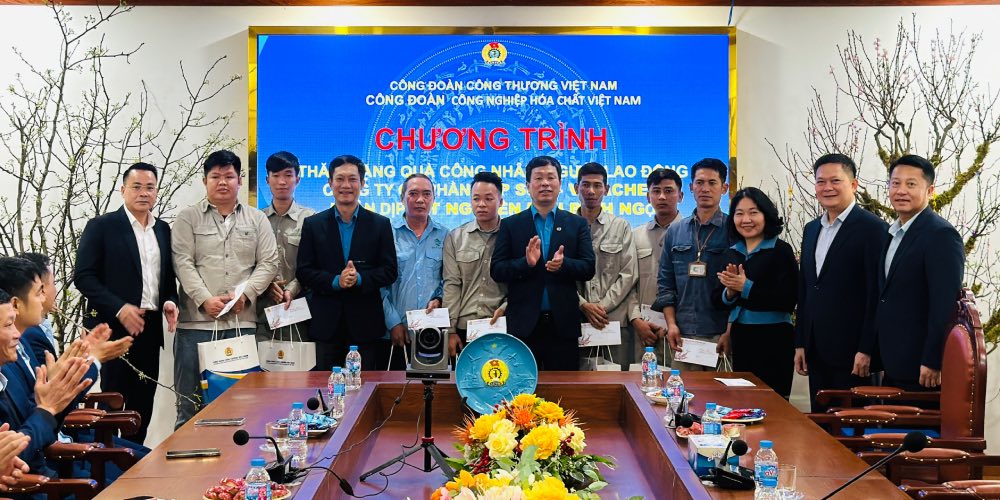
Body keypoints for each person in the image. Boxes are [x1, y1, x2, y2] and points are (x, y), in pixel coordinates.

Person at [72, 162, 178, 443]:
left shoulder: (164, 230)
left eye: (150, 187)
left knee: (143, 404)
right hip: (112, 328)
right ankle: (108, 459)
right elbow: (83, 277)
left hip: (150, 326)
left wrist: (170, 301)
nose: (144, 193)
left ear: (156, 192)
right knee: (113, 401)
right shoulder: (102, 226)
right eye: (137, 187)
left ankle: (133, 459)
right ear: (123, 190)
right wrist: (120, 307)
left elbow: (167, 280)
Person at [172, 150, 279, 428]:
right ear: (204, 180)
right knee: (190, 406)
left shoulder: (257, 219)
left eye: (229, 176)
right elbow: (182, 262)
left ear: (240, 180)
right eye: (215, 176)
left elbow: (269, 262)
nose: (223, 182)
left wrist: (246, 295)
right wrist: (205, 299)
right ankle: (187, 471)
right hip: (195, 326)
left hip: (242, 323)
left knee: (244, 407)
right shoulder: (187, 219)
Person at [794, 154, 887, 411]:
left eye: (836, 180)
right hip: (816, 348)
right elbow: (807, 289)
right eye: (821, 181)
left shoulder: (873, 229)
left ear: (854, 184)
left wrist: (867, 348)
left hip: (854, 353)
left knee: (851, 428)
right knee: (822, 424)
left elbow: (876, 294)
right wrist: (801, 342)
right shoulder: (812, 229)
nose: (827, 187)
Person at [491, 155, 595, 370]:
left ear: (560, 185)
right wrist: (525, 263)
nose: (545, 183)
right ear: (528, 186)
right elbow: (497, 270)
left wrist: (564, 264)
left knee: (565, 393)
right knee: (521, 392)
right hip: (523, 324)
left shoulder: (576, 224)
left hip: (563, 324)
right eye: (538, 178)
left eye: (551, 178)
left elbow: (588, 268)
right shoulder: (511, 224)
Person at [296, 155, 397, 371]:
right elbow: (304, 271)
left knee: (365, 391)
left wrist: (359, 278)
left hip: (366, 326)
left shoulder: (380, 224)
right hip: (326, 325)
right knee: (325, 389)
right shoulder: (313, 224)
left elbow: (390, 271)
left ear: (362, 183)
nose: (346, 185)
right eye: (340, 179)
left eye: (353, 179)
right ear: (330, 183)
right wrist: (335, 281)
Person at [0, 259, 96, 479]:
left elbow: (32, 420)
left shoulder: (7, 366)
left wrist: (52, 391)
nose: (16, 334)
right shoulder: (15, 355)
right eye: (7, 326)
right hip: (38, 484)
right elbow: (19, 452)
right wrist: (46, 407)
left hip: (49, 470)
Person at [877, 154, 964, 391]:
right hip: (893, 361)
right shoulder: (892, 232)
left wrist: (933, 359)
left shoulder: (940, 235)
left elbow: (944, 305)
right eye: (895, 183)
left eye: (911, 184)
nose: (901, 190)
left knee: (916, 429)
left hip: (921, 367)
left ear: (930, 190)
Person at [715, 188, 797, 398]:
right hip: (741, 336)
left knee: (773, 403)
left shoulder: (781, 251)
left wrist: (746, 287)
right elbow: (717, 299)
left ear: (766, 215)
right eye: (739, 213)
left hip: (774, 337)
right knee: (743, 402)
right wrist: (730, 293)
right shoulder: (731, 251)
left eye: (753, 212)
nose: (746, 219)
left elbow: (788, 299)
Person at [653, 158, 732, 371]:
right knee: (684, 399)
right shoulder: (675, 231)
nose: (705, 188)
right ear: (690, 187)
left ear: (724, 188)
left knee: (721, 401)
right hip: (683, 334)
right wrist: (671, 325)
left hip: (720, 333)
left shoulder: (733, 230)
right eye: (699, 182)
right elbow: (665, 284)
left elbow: (737, 288)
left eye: (712, 183)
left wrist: (729, 331)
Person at [574, 162, 637, 369]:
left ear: (607, 189)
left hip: (612, 321)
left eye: (597, 185)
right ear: (576, 188)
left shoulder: (621, 226)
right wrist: (584, 305)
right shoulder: (564, 226)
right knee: (579, 382)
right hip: (576, 320)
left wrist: (601, 308)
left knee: (616, 381)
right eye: (585, 185)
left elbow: (628, 273)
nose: (591, 191)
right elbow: (559, 276)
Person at [442, 171, 507, 357]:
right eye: (476, 198)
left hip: (501, 324)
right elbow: (452, 285)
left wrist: (505, 307)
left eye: (489, 198)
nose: (481, 204)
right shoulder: (456, 237)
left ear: (500, 202)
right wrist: (451, 330)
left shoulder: (512, 235)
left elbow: (520, 284)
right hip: (464, 328)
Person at [255, 151, 316, 343]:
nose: (282, 181)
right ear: (267, 179)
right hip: (261, 312)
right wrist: (265, 286)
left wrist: (292, 288)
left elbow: (315, 264)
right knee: (263, 369)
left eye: (288, 175)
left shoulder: (312, 219)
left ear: (297, 179)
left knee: (298, 370)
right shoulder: (255, 219)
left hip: (299, 311)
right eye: (276, 175)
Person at [627, 168, 683, 367]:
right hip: (645, 330)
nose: (662, 196)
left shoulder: (691, 233)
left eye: (669, 191)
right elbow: (628, 284)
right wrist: (636, 320)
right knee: (643, 389)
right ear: (647, 196)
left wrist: (673, 323)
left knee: (679, 388)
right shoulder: (635, 235)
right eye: (656, 191)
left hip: (680, 330)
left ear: (681, 196)